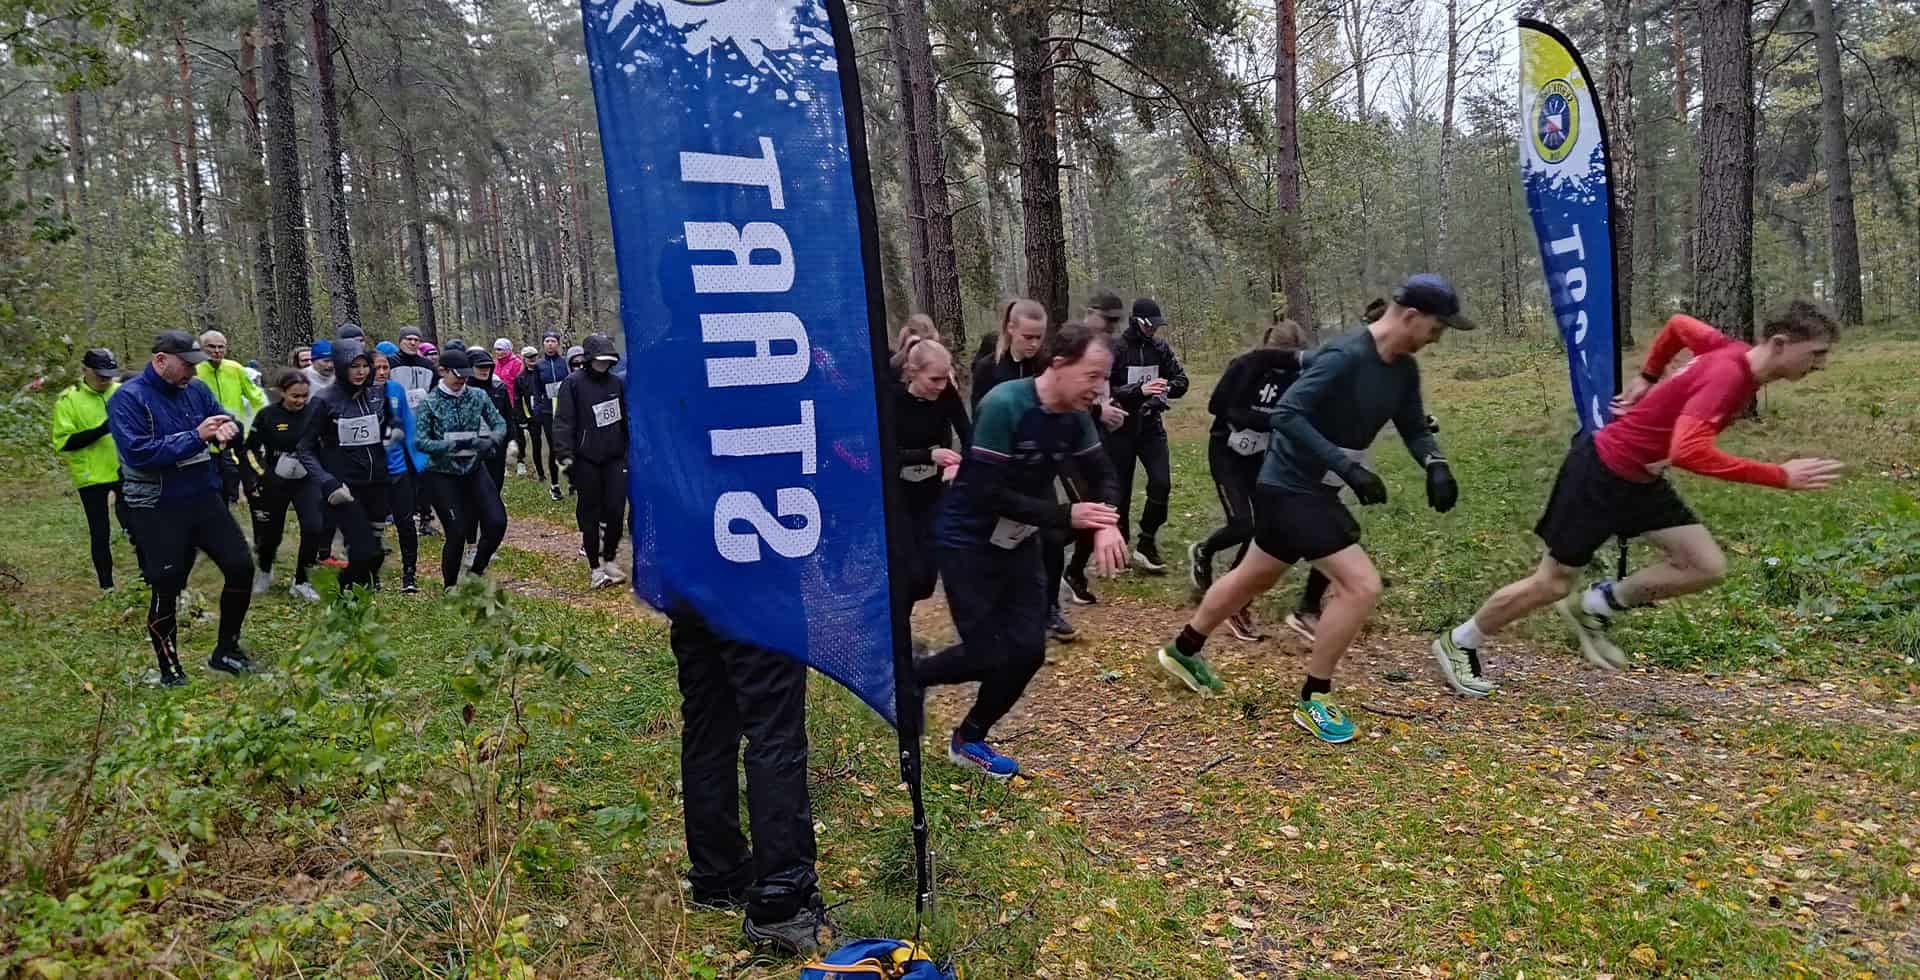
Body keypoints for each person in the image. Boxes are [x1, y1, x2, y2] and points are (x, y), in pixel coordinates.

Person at [1432, 303, 1844, 696]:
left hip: (1641, 478)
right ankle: (1460, 640)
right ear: (1780, 343)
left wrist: (1648, 376)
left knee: (1705, 565)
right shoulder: (1728, 375)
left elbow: (1680, 325)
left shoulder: (1727, 351)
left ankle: (1598, 603)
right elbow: (1690, 452)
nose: (1821, 365)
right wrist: (1780, 475)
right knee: (1552, 583)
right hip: (1599, 475)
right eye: (1817, 353)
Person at [1154, 275, 1468, 744]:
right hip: (1288, 487)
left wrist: (1436, 464)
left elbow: (1413, 427)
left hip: (1313, 490)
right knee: (1359, 585)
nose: (1437, 338)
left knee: (1254, 576)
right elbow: (1286, 414)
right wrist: (1348, 467)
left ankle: (1183, 649)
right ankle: (1314, 697)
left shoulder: (1403, 370)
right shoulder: (1345, 357)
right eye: (1437, 328)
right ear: (1411, 316)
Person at [919, 321, 1128, 779]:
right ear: (1059, 365)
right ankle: (911, 677)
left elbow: (1104, 475)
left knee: (1029, 651)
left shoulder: (1075, 416)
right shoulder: (1005, 405)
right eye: (1092, 375)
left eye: (1106, 378)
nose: (1100, 388)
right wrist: (1066, 516)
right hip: (967, 540)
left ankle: (969, 738)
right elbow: (985, 493)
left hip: (1018, 540)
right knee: (989, 652)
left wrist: (1107, 522)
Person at [669, 611, 830, 955]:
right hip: (761, 588)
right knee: (775, 735)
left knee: (707, 728)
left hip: (694, 584)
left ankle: (719, 872)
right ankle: (782, 899)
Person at [108, 331, 258, 685]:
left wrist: (229, 428)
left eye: (195, 365)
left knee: (240, 567)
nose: (192, 372)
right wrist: (198, 435)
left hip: (204, 497)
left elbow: (220, 418)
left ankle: (226, 650)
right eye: (186, 365)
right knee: (167, 584)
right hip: (158, 505)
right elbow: (139, 453)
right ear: (161, 360)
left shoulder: (197, 390)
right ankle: (170, 669)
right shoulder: (128, 399)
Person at [1190, 321, 1308, 641]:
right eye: (1277, 356)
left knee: (1265, 530)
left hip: (1261, 457)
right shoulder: (1244, 366)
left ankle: (1236, 599)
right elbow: (1219, 406)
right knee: (1243, 524)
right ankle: (1204, 550)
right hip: (1226, 452)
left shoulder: (1299, 375)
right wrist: (1271, 420)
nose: (1282, 363)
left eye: (1290, 356)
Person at [970, 299, 1078, 640]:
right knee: (999, 542)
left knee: (1052, 538)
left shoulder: (1043, 366)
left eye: (1039, 337)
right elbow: (980, 418)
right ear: (1010, 330)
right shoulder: (989, 369)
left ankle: (1049, 609)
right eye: (1027, 336)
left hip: (1038, 466)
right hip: (1001, 469)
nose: (1033, 343)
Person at [297, 338, 394, 593]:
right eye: (354, 366)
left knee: (374, 554)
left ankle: (359, 600)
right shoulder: (324, 400)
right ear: (341, 367)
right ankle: (343, 598)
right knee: (366, 553)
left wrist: (394, 435)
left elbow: (386, 427)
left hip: (377, 483)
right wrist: (327, 483)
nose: (360, 372)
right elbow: (304, 449)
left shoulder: (376, 394)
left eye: (364, 366)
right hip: (344, 488)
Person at [415, 348, 510, 588]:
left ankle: (477, 569)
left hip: (474, 469)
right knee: (456, 532)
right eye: (457, 375)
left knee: (497, 522)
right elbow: (420, 441)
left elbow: (499, 423)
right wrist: (449, 445)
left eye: (466, 376)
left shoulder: (478, 396)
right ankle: (450, 586)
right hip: (442, 475)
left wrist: (491, 440)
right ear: (442, 371)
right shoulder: (430, 402)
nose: (462, 380)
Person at [1105, 297, 1188, 572]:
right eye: (1149, 325)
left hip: (1151, 427)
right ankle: (1118, 551)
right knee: (1121, 492)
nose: (1153, 330)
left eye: (1156, 326)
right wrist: (1139, 392)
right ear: (1137, 321)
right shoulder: (1117, 348)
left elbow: (1180, 381)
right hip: (1121, 428)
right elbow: (1107, 389)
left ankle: (1147, 542)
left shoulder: (1159, 347)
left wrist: (1163, 391)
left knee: (1161, 483)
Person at [891, 336, 971, 615]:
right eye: (934, 379)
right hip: (898, 498)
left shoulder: (946, 394)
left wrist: (963, 464)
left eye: (944, 378)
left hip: (933, 492)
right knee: (906, 576)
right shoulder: (893, 400)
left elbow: (967, 433)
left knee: (925, 580)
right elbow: (883, 454)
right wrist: (928, 455)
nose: (940, 385)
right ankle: (899, 638)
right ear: (913, 373)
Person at [240, 369, 325, 602]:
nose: (300, 401)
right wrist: (262, 474)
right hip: (275, 481)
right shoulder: (267, 416)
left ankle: (302, 580)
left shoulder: (315, 414)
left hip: (306, 479)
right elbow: (249, 449)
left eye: (304, 396)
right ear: (282, 393)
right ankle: (265, 570)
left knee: (314, 527)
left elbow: (325, 445)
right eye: (295, 396)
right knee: (270, 535)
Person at [51, 348, 130, 591]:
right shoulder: (68, 399)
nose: (106, 379)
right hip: (91, 475)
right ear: (85, 370)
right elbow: (64, 442)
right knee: (100, 532)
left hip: (124, 470)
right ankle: (107, 586)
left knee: (136, 525)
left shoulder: (122, 392)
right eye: (100, 374)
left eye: (110, 374)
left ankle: (147, 577)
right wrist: (103, 429)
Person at [554, 334, 629, 588]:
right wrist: (565, 455)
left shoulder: (616, 384)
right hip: (586, 459)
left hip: (615, 458)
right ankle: (595, 569)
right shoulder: (572, 384)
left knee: (616, 510)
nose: (604, 365)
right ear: (588, 359)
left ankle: (610, 559)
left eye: (609, 360)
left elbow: (624, 419)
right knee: (590, 514)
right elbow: (563, 422)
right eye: (600, 360)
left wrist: (629, 450)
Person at [374, 345, 427, 593]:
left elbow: (409, 425)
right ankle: (372, 574)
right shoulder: (357, 393)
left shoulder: (396, 390)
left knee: (406, 522)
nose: (382, 372)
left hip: (398, 469)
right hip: (371, 473)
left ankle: (409, 575)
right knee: (373, 524)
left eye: (386, 368)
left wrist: (419, 462)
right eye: (378, 368)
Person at [468, 346, 519, 508]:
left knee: (495, 484)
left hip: (496, 445)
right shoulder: (463, 390)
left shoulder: (499, 388)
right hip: (472, 447)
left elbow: (508, 417)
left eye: (488, 367)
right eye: (480, 367)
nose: (484, 371)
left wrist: (512, 441)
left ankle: (490, 520)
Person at [525, 332, 570, 500]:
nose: (550, 344)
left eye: (553, 341)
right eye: (547, 341)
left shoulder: (564, 363)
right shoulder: (539, 366)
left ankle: (572, 480)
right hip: (547, 411)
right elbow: (535, 390)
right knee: (554, 448)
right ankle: (555, 486)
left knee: (569, 444)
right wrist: (536, 409)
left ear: (558, 344)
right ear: (543, 344)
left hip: (565, 410)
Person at [194, 330, 269, 426]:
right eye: (211, 346)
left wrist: (262, 421)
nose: (217, 351)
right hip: (208, 431)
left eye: (221, 347)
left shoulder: (236, 368)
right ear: (201, 348)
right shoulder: (195, 372)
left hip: (236, 429)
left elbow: (257, 398)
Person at [389, 326, 437, 405]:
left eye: (416, 340)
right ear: (400, 341)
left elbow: (434, 390)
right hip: (397, 410)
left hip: (423, 411)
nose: (413, 343)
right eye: (409, 339)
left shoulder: (428, 365)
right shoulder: (390, 362)